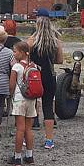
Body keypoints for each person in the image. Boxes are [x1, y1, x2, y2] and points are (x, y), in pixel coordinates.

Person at [27, 12, 63, 149]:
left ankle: (27, 137)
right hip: (49, 76)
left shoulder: (31, 40)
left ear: (37, 22)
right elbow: (59, 60)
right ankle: (49, 140)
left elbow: (25, 57)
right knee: (48, 106)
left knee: (31, 106)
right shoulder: (55, 41)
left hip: (34, 76)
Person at [7, 41, 37, 166]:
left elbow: (12, 85)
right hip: (31, 99)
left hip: (19, 99)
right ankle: (29, 155)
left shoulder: (16, 67)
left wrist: (10, 94)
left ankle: (17, 157)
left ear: (22, 53)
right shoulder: (33, 67)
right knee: (28, 129)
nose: (13, 54)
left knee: (20, 128)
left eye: (15, 51)